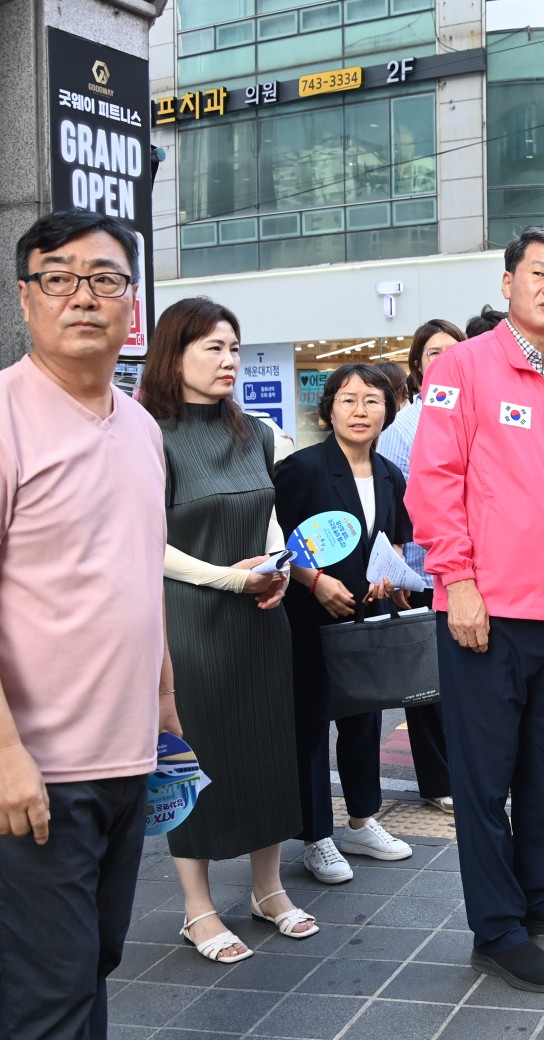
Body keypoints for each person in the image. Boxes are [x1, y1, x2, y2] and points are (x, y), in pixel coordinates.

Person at [407, 225, 544, 994]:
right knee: (485, 778)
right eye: (538, 273)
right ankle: (497, 929)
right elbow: (433, 481)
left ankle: (537, 894)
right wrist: (457, 580)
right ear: (508, 283)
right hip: (483, 615)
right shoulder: (464, 367)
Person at [0, 209, 181, 1039]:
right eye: (59, 278)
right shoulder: (7, 415)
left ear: (131, 303)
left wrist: (165, 703)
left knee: (93, 962)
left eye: (105, 279)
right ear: (25, 297)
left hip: (126, 758)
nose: (83, 296)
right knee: (52, 994)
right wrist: (6, 754)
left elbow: (141, 573)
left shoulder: (140, 426)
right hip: (35, 772)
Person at [141, 297, 314, 964]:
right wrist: (229, 579)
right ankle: (198, 910)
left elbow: (269, 514)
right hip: (190, 623)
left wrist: (275, 567)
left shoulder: (256, 433)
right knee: (198, 760)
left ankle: (269, 890)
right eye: (213, 347)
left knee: (269, 752)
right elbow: (146, 541)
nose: (229, 360)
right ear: (174, 353)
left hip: (261, 618)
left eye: (234, 348)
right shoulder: (149, 436)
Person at [274, 363, 415, 885]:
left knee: (364, 720)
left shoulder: (389, 474)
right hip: (309, 618)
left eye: (372, 400)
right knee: (310, 726)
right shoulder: (302, 469)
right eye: (348, 399)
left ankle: (360, 821)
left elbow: (393, 538)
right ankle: (316, 836)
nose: (361, 411)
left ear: (387, 411)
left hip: (366, 617)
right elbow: (273, 541)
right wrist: (313, 582)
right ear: (328, 409)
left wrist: (387, 574)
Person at [376, 324, 464, 814]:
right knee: (429, 687)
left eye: (454, 351)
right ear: (417, 365)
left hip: (471, 572)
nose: (445, 359)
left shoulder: (475, 413)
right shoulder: (402, 430)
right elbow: (391, 511)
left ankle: (468, 772)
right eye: (434, 353)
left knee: (466, 682)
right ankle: (438, 780)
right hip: (421, 577)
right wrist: (396, 575)